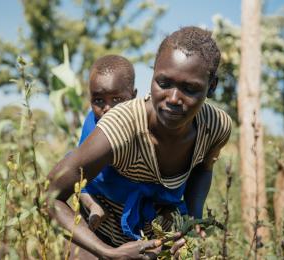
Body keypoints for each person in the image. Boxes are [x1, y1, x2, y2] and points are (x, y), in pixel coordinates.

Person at [48, 26, 232, 259]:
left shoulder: (215, 127)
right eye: (164, 83)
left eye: (190, 89)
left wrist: (192, 225)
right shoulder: (121, 125)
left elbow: (203, 169)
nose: (173, 99)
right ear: (153, 75)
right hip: (97, 238)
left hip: (155, 243)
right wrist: (107, 252)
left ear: (212, 86)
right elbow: (48, 195)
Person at [78, 54, 137, 231]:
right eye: (98, 101)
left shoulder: (140, 123)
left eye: (117, 100)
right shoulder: (92, 122)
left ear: (133, 96)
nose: (107, 108)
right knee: (75, 178)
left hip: (131, 188)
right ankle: (94, 207)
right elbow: (82, 160)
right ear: (90, 99)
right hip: (99, 185)